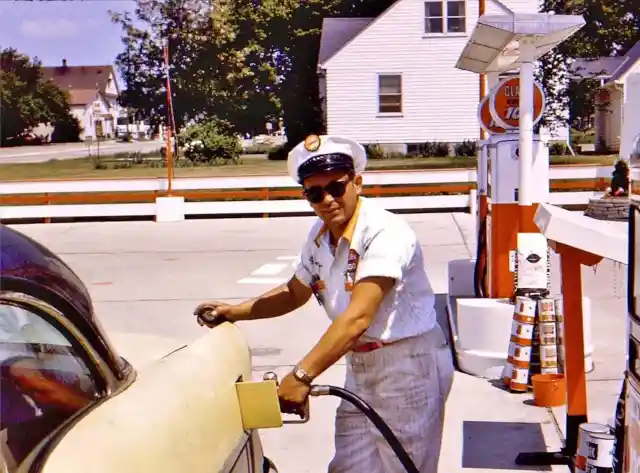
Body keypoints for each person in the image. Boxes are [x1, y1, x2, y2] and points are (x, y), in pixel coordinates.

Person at [194, 134, 455, 473]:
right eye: (315, 193)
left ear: (357, 183)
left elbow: (358, 317)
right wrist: (235, 311)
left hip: (407, 365)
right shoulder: (320, 235)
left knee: (403, 467)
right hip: (361, 364)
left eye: (336, 187)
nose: (327, 200)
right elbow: (294, 292)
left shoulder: (384, 232)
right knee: (349, 468)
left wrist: (302, 376)